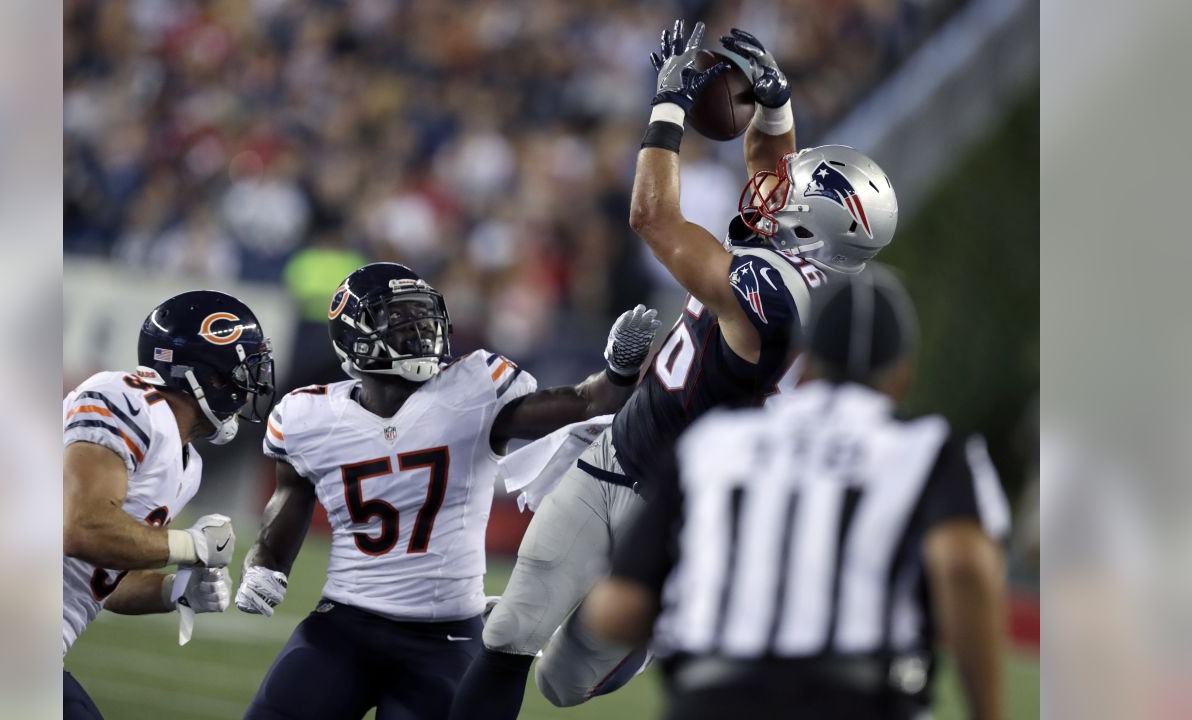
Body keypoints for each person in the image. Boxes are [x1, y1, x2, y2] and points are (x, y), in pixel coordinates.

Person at [449, 21, 901, 718]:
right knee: (510, 631)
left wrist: (666, 105)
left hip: (674, 506)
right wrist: (775, 105)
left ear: (811, 227)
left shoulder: (773, 297)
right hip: (617, 451)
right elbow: (769, 172)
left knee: (560, 684)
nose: (775, 190)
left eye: (793, 194)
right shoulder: (793, 256)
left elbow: (652, 216)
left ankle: (636, 641)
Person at [234, 261, 661, 720]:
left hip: (446, 638)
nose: (420, 330)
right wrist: (268, 563)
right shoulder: (307, 416)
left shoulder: (472, 388)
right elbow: (292, 492)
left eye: (423, 316)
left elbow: (583, 403)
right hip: (343, 625)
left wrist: (618, 370)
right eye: (400, 321)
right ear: (355, 339)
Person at [584, 267, 1010, 720]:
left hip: (712, 698)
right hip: (858, 697)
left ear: (803, 363)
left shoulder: (714, 442)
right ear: (902, 373)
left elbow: (617, 611)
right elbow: (964, 563)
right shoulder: (931, 447)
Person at [62, 291, 277, 719]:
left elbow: (102, 582)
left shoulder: (186, 464)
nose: (249, 387)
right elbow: (81, 528)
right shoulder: (127, 399)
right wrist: (188, 546)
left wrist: (173, 591)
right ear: (205, 376)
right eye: (241, 373)